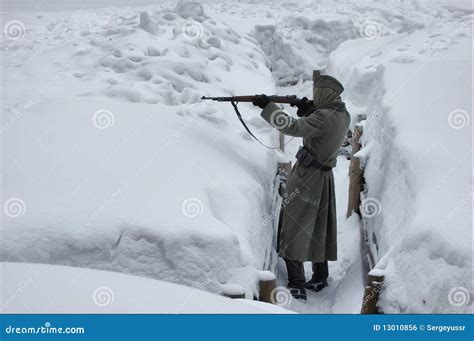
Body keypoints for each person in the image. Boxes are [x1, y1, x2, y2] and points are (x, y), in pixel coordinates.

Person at [252, 71, 350, 300]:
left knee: (293, 225)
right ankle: (320, 276)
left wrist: (269, 108)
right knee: (319, 226)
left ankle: (296, 282)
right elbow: (321, 126)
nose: (315, 97)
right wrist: (311, 111)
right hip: (324, 177)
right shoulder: (341, 114)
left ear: (324, 94)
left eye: (318, 94)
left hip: (307, 176)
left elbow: (292, 128)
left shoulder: (324, 116)